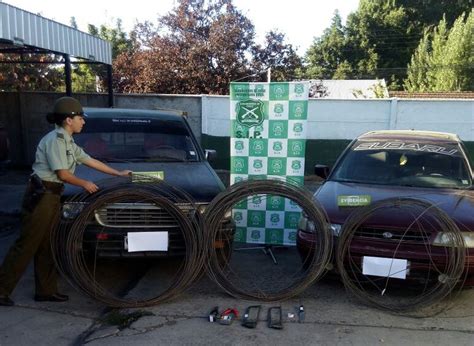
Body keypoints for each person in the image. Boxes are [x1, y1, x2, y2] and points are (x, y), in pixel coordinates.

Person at [0, 96, 131, 306]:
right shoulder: (55, 141)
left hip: (52, 196)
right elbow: (62, 174)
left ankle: (46, 290)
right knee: (27, 244)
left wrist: (118, 173)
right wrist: (84, 183)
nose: (83, 121)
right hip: (41, 195)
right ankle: (1, 289)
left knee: (47, 244)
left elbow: (90, 160)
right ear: (69, 120)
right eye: (80, 118)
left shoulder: (68, 141)